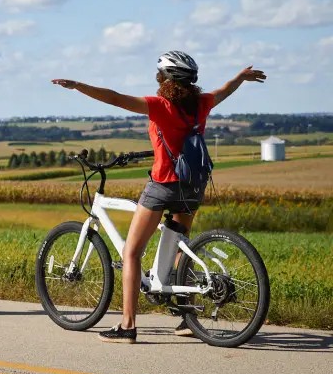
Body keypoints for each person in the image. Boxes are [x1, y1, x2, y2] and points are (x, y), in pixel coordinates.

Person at [52, 51, 266, 343]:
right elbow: (222, 92)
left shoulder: (159, 106)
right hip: (194, 185)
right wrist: (240, 78)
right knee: (179, 245)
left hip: (163, 185)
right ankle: (188, 317)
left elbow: (114, 98)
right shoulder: (202, 104)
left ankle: (127, 325)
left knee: (131, 252)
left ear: (165, 79)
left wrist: (78, 86)